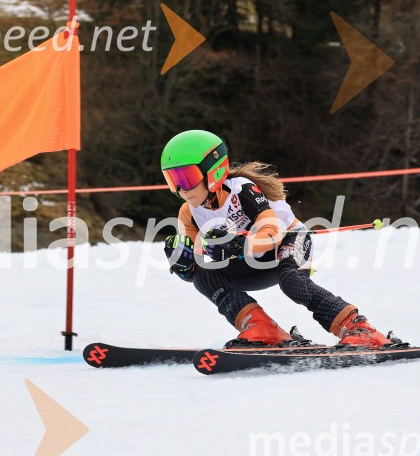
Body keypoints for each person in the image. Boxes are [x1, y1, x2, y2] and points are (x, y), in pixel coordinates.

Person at [160, 129, 404, 349]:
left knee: (292, 282)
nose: (181, 189)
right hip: (251, 263)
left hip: (288, 242)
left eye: (187, 178)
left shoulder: (242, 190)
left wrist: (239, 244)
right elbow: (199, 258)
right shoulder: (188, 213)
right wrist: (186, 265)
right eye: (173, 180)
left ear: (213, 172)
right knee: (203, 276)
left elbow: (272, 233)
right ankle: (262, 329)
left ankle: (359, 329)